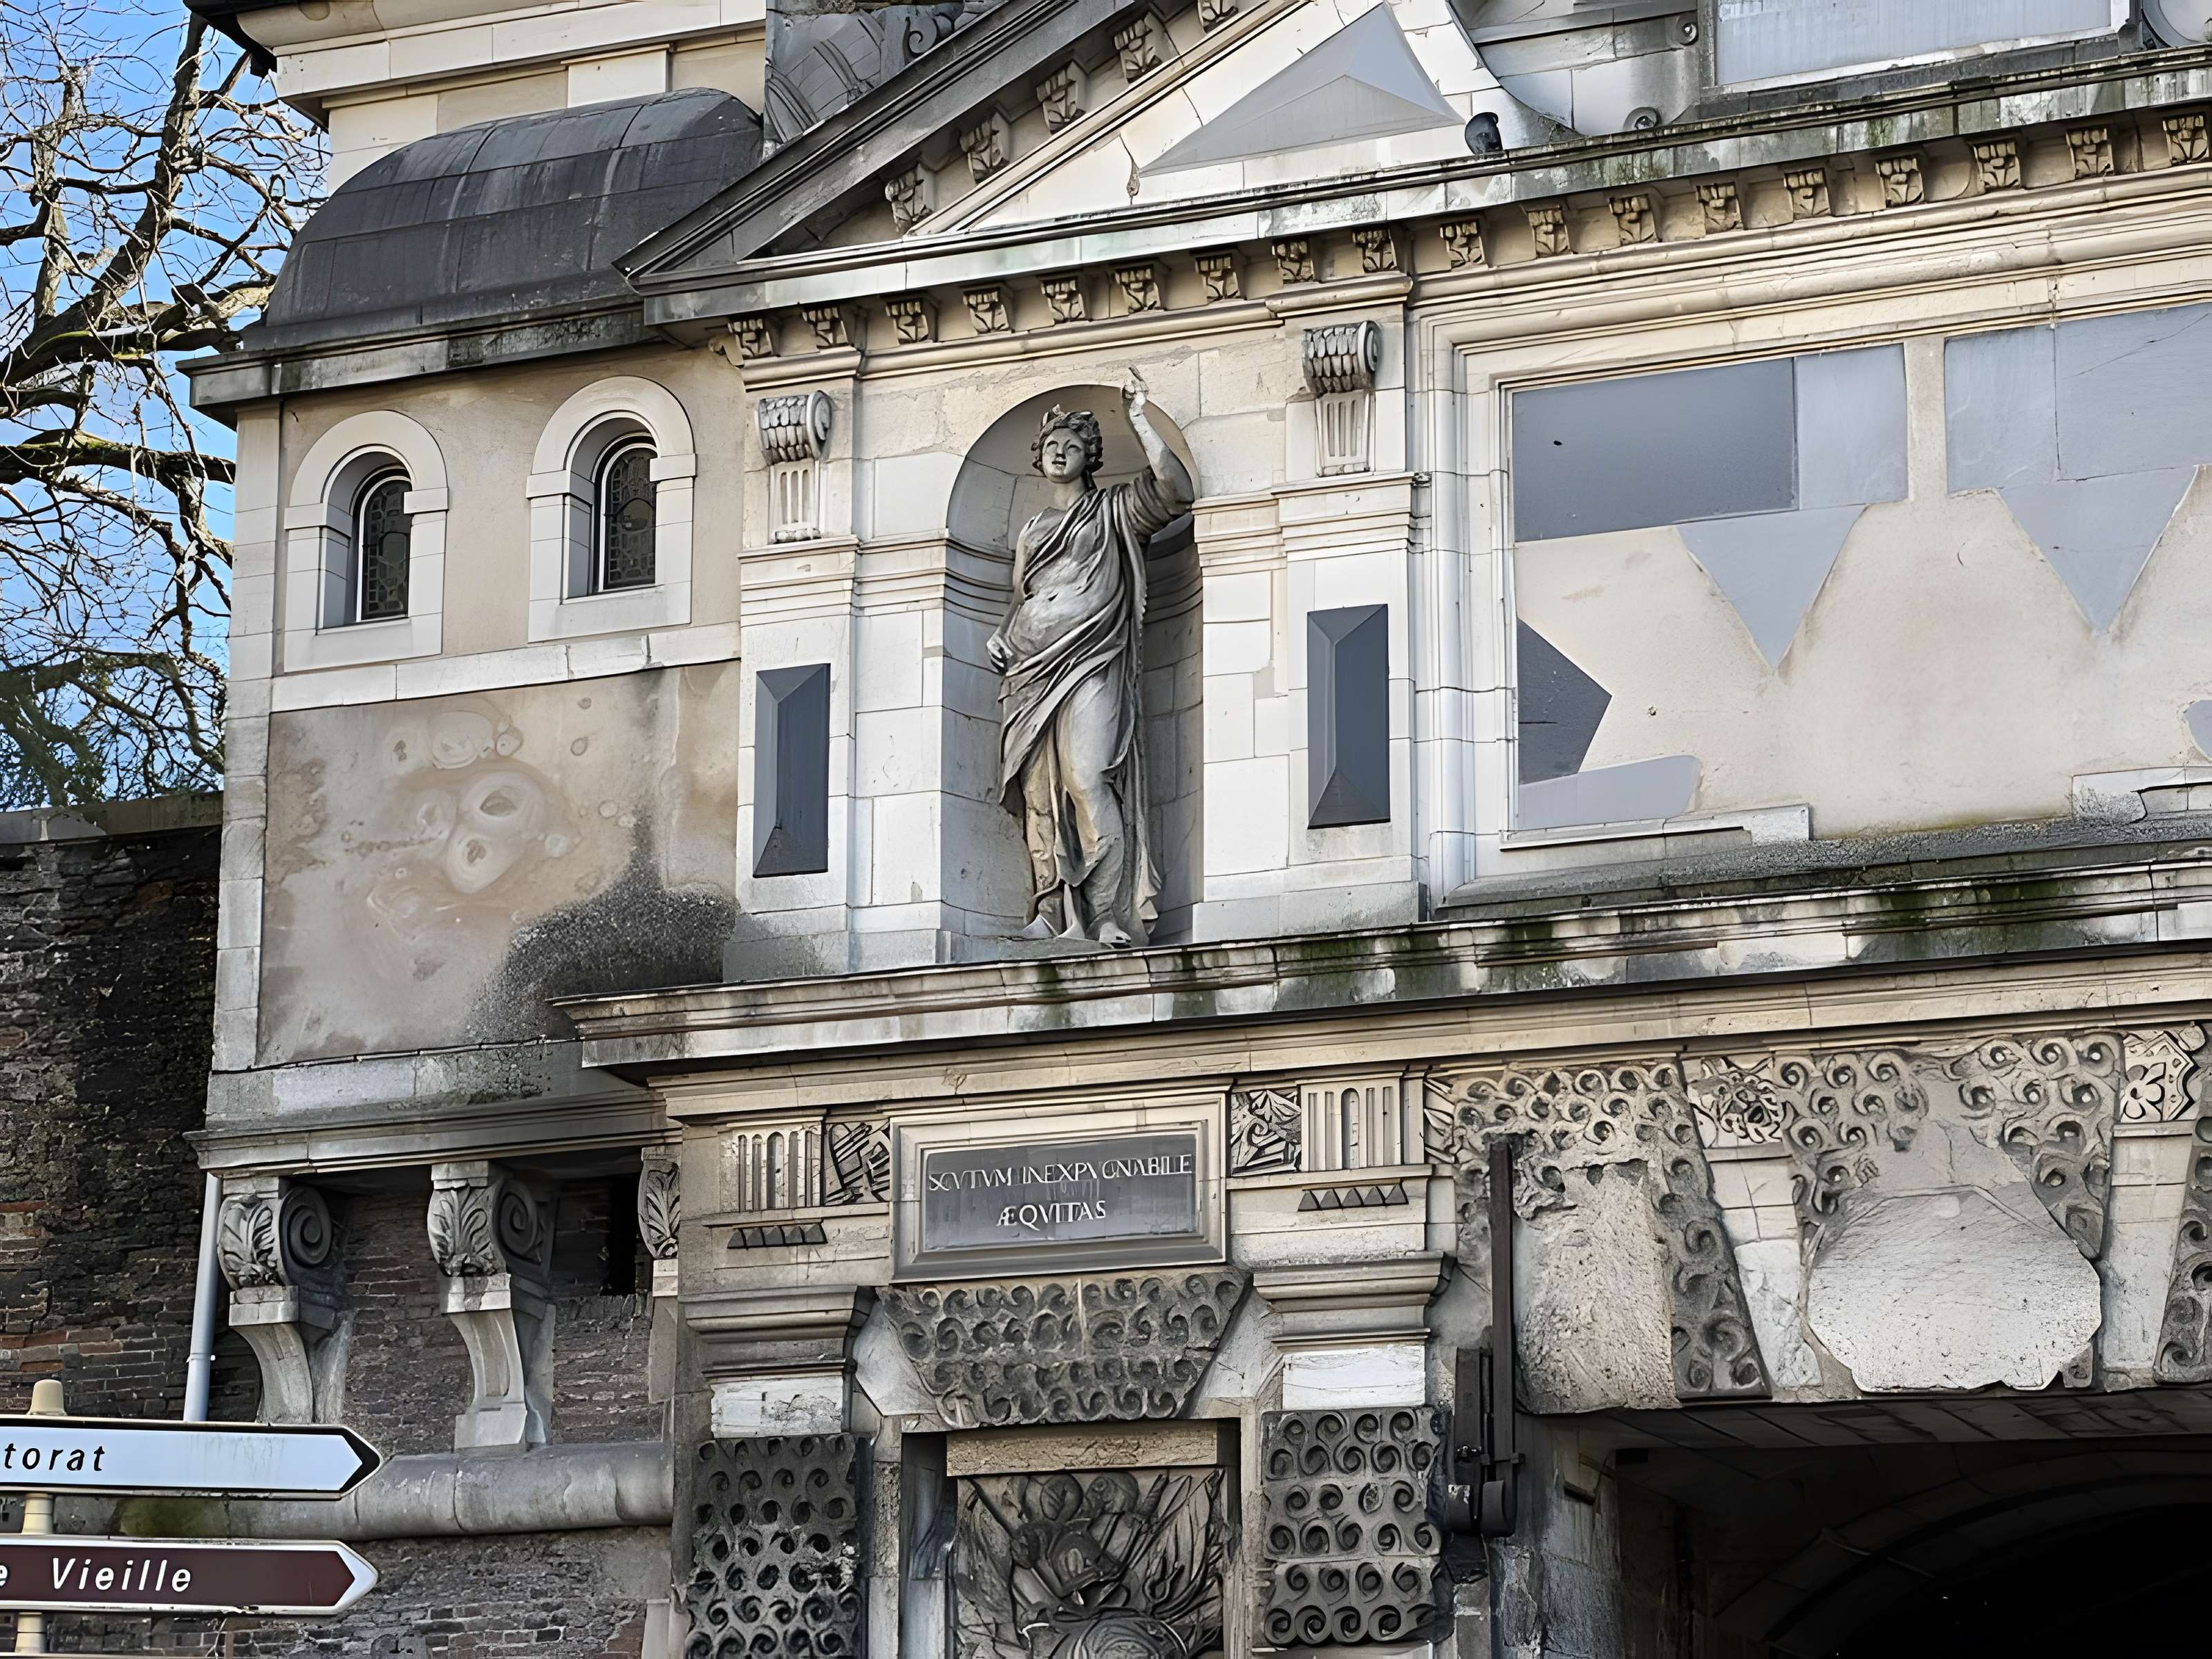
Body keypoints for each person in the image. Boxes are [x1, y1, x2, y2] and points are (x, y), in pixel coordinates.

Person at [988, 374, 1194, 946]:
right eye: (1051, 445)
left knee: (1087, 777)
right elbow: (1025, 598)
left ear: (1091, 457)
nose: (1059, 452)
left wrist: (1140, 421)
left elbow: (1175, 491)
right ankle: (1051, 910)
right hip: (1029, 670)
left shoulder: (1114, 510)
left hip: (1094, 659)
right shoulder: (1033, 529)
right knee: (1039, 794)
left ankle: (1104, 913)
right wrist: (1001, 638)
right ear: (1038, 458)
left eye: (1072, 445)